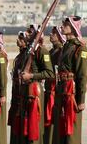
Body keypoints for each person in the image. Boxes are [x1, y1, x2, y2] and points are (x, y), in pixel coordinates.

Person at [52, 16, 87, 144]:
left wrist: (81, 100)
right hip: (62, 91)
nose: (62, 26)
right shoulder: (65, 47)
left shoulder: (80, 48)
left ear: (73, 28)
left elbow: (82, 75)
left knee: (71, 132)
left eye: (65, 25)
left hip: (71, 94)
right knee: (61, 131)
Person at [20, 25, 54, 144]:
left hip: (35, 91)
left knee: (34, 125)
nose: (27, 33)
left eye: (30, 32)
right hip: (26, 91)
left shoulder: (41, 51)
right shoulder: (29, 50)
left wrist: (31, 76)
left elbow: (49, 73)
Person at [43, 26, 65, 144]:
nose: (51, 35)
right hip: (48, 88)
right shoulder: (52, 51)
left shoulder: (61, 51)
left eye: (54, 34)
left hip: (54, 89)